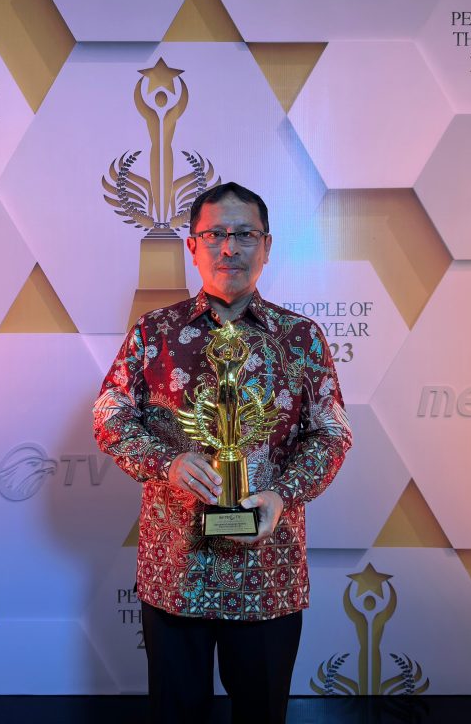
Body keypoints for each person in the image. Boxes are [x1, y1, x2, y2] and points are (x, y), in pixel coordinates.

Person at [93, 182, 352, 724]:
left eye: (244, 234)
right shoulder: (154, 334)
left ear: (267, 245)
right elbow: (110, 417)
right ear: (193, 246)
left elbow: (331, 433)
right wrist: (167, 463)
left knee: (261, 716)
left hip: (267, 573)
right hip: (177, 571)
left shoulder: (300, 338)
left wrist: (282, 495)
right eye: (214, 234)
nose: (229, 247)